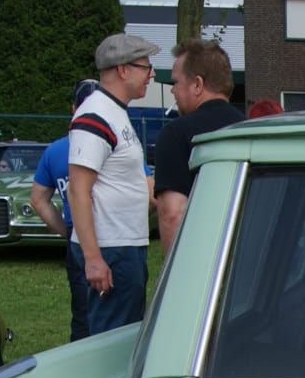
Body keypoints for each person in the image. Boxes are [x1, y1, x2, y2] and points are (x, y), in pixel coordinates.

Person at [69, 33, 159, 335]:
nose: (152, 74)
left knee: (126, 335)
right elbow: (78, 189)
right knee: (113, 341)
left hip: (123, 245)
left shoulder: (115, 112)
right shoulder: (96, 114)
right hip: (112, 248)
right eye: (145, 67)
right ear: (123, 69)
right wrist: (94, 259)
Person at [154, 39, 244, 250]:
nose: (172, 91)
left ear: (197, 84)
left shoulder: (175, 134)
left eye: (175, 82)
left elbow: (172, 214)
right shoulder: (250, 129)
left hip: (203, 259)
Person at [31, 79, 101, 341]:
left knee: (82, 312)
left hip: (77, 237)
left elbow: (38, 199)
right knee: (118, 313)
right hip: (112, 234)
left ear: (74, 108)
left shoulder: (55, 151)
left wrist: (66, 230)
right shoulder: (115, 144)